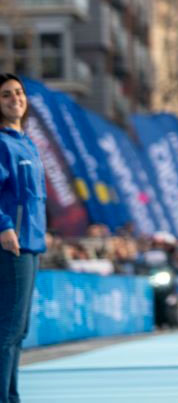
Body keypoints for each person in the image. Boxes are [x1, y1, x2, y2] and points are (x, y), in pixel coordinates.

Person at [0, 73, 46, 403]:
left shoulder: (26, 142)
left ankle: (12, 395)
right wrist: (4, 226)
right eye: (5, 95)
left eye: (18, 92)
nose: (15, 99)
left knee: (20, 330)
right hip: (12, 243)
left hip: (32, 242)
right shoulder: (2, 143)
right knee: (8, 329)